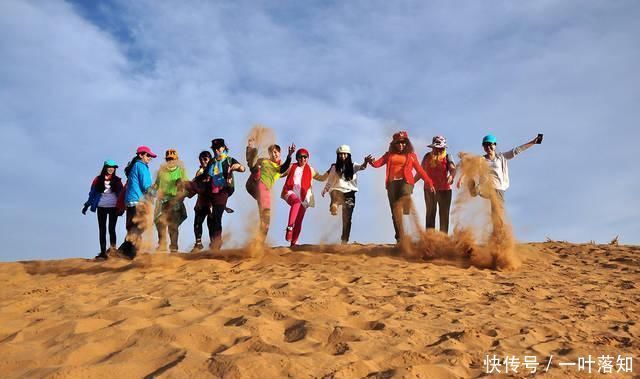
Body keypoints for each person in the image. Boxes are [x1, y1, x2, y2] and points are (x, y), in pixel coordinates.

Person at [370, 131, 435, 242]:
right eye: (398, 143)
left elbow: (420, 170)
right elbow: (378, 164)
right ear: (394, 144)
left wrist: (429, 183)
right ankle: (400, 238)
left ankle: (406, 204)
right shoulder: (388, 155)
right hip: (392, 184)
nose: (401, 145)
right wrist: (371, 162)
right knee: (395, 212)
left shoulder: (411, 156)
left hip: (406, 182)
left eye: (403, 142)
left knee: (405, 193)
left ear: (407, 143)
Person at [457, 134, 542, 203]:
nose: (488, 147)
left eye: (490, 144)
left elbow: (517, 150)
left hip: (498, 189)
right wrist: (461, 178)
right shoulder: (481, 159)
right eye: (485, 145)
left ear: (495, 145)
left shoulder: (502, 157)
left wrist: (533, 142)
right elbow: (471, 168)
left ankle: (499, 224)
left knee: (497, 214)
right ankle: (473, 189)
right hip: (485, 188)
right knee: (475, 188)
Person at [194, 138, 245, 250]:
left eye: (218, 148)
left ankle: (217, 244)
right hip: (211, 192)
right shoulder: (212, 162)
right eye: (214, 149)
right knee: (211, 219)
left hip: (223, 191)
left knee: (217, 217)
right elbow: (206, 175)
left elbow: (242, 168)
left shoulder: (229, 160)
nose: (216, 151)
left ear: (223, 148)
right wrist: (196, 181)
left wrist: (236, 168)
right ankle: (214, 243)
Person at [320, 145, 372, 244]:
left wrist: (366, 162)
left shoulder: (353, 166)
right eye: (340, 154)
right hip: (337, 190)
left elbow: (363, 167)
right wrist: (325, 189)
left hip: (350, 193)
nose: (342, 156)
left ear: (348, 155)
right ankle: (334, 205)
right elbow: (330, 181)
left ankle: (344, 240)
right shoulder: (334, 167)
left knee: (347, 218)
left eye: (345, 154)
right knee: (335, 194)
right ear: (338, 156)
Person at [246, 138, 295, 238]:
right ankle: (254, 167)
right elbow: (249, 160)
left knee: (266, 219)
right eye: (271, 152)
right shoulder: (264, 160)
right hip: (254, 184)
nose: (274, 154)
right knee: (255, 168)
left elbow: (284, 168)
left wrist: (289, 156)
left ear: (279, 153)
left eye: (275, 152)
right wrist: (250, 147)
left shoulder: (279, 167)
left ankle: (259, 242)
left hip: (264, 191)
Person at [281, 148, 325, 247]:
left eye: (305, 157)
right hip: (290, 191)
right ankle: (289, 228)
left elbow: (322, 178)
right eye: (300, 157)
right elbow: (280, 173)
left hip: (304, 197)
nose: (303, 159)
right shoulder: (292, 166)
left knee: (299, 220)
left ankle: (294, 243)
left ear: (307, 158)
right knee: (296, 202)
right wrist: (288, 157)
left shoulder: (310, 170)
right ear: (297, 158)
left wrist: (330, 171)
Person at [118, 145, 156, 259]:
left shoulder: (134, 166)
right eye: (148, 155)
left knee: (133, 228)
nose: (150, 158)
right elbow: (146, 186)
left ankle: (129, 253)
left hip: (131, 201)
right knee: (141, 226)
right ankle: (123, 252)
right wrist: (157, 193)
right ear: (141, 155)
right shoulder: (141, 166)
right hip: (138, 201)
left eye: (151, 156)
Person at [82, 160, 123, 260]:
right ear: (105, 167)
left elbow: (122, 194)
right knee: (102, 229)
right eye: (109, 167)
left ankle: (113, 250)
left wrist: (122, 207)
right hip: (101, 207)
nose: (111, 169)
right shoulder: (98, 179)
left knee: (112, 229)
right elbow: (92, 193)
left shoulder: (117, 180)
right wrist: (87, 205)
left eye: (113, 167)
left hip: (113, 207)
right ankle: (103, 253)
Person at [416, 135, 456, 234]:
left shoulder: (448, 156)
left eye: (440, 148)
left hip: (445, 191)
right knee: (430, 214)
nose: (438, 150)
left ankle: (443, 240)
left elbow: (453, 169)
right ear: (433, 147)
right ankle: (430, 239)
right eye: (436, 148)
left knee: (444, 215)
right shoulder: (427, 157)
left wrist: (451, 176)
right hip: (429, 190)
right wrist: (411, 183)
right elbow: (421, 172)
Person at [152, 149, 189, 252]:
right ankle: (162, 245)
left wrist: (182, 188)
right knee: (160, 223)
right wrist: (151, 190)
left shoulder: (180, 170)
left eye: (172, 159)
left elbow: (186, 184)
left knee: (173, 224)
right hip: (162, 200)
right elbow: (156, 184)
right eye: (168, 159)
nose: (170, 161)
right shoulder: (161, 171)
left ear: (176, 159)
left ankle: (173, 247)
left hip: (175, 200)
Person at [190, 151, 212, 252]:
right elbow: (194, 185)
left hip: (212, 201)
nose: (203, 161)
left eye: (205, 159)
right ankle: (198, 243)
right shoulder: (200, 171)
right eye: (201, 159)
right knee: (197, 223)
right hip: (201, 201)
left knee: (211, 223)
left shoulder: (214, 169)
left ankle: (214, 244)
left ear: (209, 159)